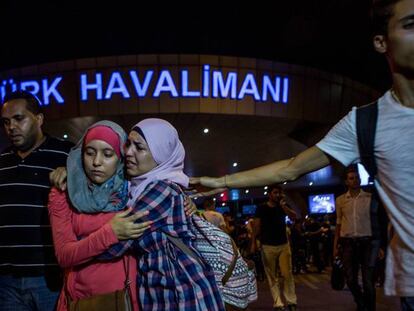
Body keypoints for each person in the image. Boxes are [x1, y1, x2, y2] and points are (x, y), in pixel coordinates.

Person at [191, 1, 414, 308]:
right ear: (381, 42)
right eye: (410, 25)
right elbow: (291, 168)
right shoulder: (366, 122)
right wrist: (224, 181)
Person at [99, 118, 225, 311]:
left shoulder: (161, 190)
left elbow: (114, 245)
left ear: (160, 155)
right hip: (164, 292)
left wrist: (77, 243)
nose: (128, 152)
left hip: (183, 294)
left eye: (139, 147)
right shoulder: (139, 188)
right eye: (128, 144)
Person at [48, 121, 152, 311]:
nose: (97, 162)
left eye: (107, 154)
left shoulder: (134, 189)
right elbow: (64, 255)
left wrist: (188, 203)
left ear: (120, 157)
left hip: (125, 300)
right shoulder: (64, 190)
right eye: (89, 152)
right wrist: (111, 232)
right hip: (79, 300)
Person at [0, 90, 73, 311]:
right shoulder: (1, 161)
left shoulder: (66, 155)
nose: (11, 127)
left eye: (19, 119)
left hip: (49, 279)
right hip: (7, 281)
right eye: (6, 122)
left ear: (39, 119)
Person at [334, 166, 376, 311]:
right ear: (346, 182)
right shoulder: (340, 200)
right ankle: (361, 303)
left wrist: (379, 245)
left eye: (357, 177)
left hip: (366, 242)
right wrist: (335, 246)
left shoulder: (369, 198)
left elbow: (375, 222)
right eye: (351, 178)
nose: (355, 180)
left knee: (368, 281)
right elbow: (338, 223)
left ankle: (369, 308)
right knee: (350, 279)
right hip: (347, 243)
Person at [251, 186, 297, 311]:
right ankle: (278, 303)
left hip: (283, 245)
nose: (278, 195)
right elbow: (256, 226)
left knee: (287, 274)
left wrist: (284, 206)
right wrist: (253, 242)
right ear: (270, 194)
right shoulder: (261, 208)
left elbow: (294, 217)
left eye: (279, 192)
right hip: (267, 246)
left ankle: (291, 302)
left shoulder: (283, 206)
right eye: (275, 192)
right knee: (272, 276)